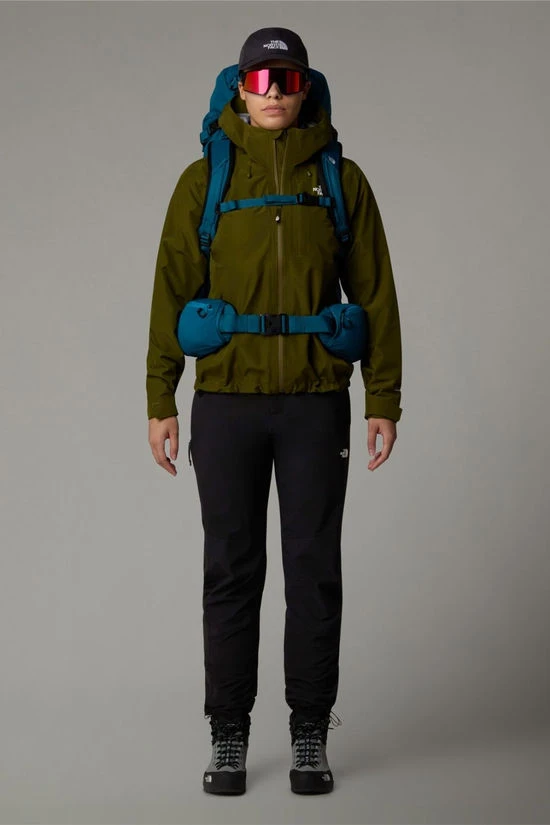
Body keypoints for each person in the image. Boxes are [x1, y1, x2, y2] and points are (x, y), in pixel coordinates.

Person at [146, 26, 402, 796]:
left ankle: (309, 731)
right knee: (231, 570)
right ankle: (228, 732)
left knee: (313, 571)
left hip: (316, 406)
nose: (274, 94)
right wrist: (161, 396)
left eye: (287, 80)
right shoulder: (204, 181)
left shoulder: (341, 180)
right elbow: (170, 292)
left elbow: (376, 293)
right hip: (226, 403)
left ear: (305, 88)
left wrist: (382, 396)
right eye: (260, 80)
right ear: (239, 88)